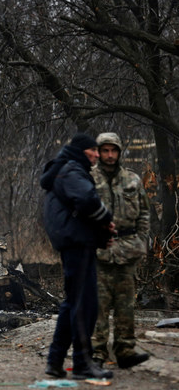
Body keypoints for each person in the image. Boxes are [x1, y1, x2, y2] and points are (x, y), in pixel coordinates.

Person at [40, 133, 116, 380]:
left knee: (73, 302)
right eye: (93, 150)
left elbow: (78, 209)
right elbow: (86, 200)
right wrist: (107, 220)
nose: (96, 154)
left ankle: (55, 360)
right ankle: (83, 364)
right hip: (77, 243)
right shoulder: (72, 169)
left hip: (74, 241)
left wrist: (100, 234)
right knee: (85, 305)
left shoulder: (64, 169)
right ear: (82, 152)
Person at [91, 132, 150, 369]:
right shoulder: (88, 179)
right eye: (105, 150)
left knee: (126, 304)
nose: (109, 155)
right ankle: (97, 353)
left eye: (113, 150)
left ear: (119, 152)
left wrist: (141, 240)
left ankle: (125, 350)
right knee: (98, 306)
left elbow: (144, 213)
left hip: (127, 250)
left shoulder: (132, 180)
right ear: (98, 152)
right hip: (98, 251)